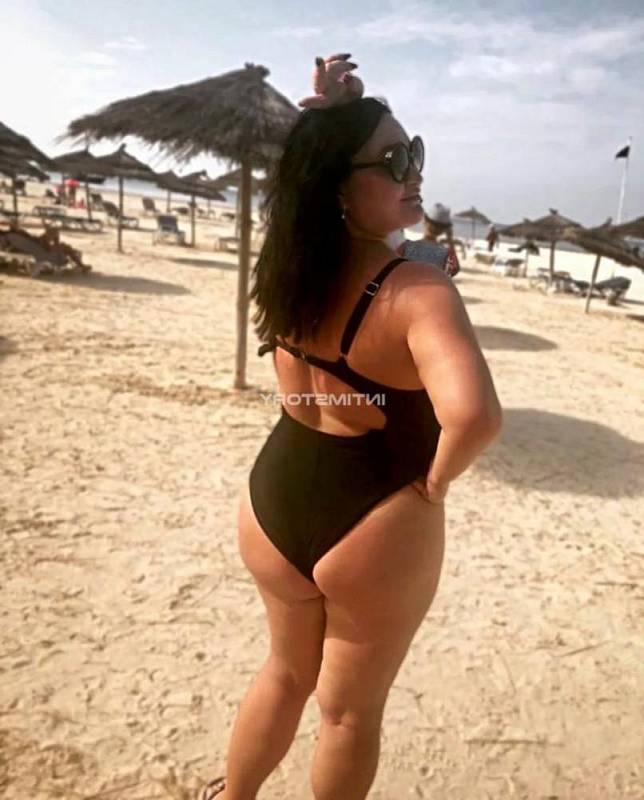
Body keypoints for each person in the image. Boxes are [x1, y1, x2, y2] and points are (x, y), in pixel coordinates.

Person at [202, 54, 502, 800]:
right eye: (393, 160)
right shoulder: (418, 292)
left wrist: (337, 118)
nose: (415, 171)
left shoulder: (288, 268)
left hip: (275, 494)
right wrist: (434, 485)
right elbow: (474, 417)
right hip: (375, 512)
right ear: (340, 186)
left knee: (284, 674)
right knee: (347, 715)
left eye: (414, 151)